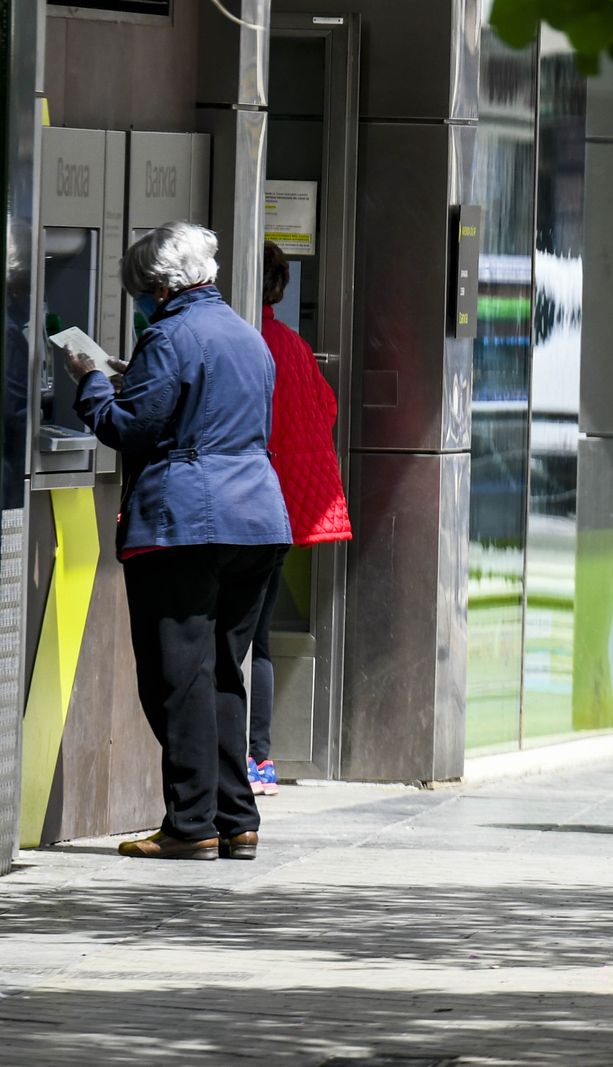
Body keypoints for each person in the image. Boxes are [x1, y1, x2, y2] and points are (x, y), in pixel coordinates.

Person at [66, 221, 291, 861]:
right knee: (221, 671)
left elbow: (130, 428)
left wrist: (89, 378)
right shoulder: (248, 336)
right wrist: (129, 374)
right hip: (257, 521)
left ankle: (190, 825)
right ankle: (235, 820)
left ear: (158, 288)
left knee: (177, 678)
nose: (138, 301)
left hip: (186, 524)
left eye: (139, 290)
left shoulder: (167, 335)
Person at [248, 241, 353, 797]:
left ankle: (231, 757)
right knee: (258, 638)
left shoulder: (245, 343)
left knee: (225, 640)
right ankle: (258, 758)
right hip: (281, 512)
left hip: (236, 511)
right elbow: (327, 408)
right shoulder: (291, 346)